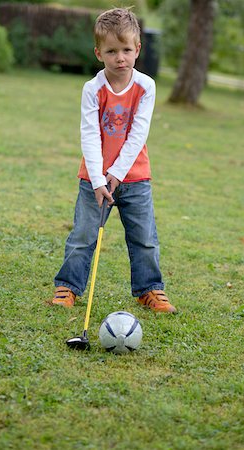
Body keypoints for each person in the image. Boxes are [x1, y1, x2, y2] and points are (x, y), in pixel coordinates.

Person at [52, 7, 177, 313]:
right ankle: (68, 286)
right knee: (83, 235)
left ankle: (150, 290)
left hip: (135, 178)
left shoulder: (146, 86)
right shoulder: (92, 89)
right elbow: (90, 135)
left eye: (126, 50)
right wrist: (98, 179)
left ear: (138, 49)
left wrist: (118, 174)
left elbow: (138, 134)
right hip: (93, 179)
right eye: (111, 51)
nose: (120, 57)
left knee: (144, 237)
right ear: (98, 53)